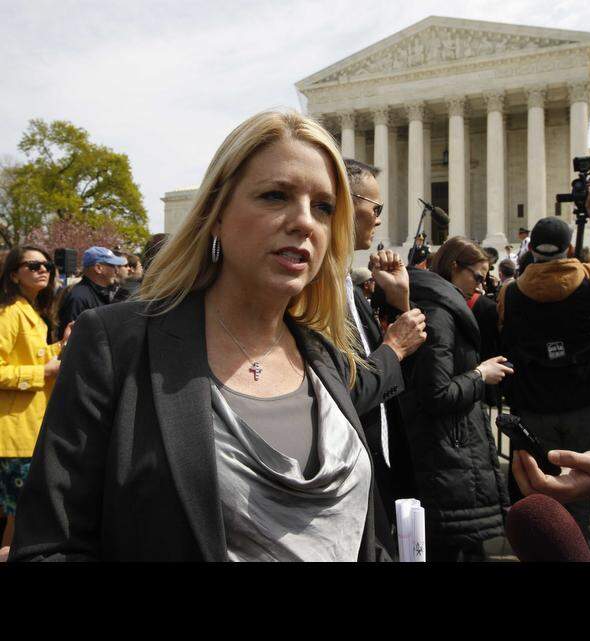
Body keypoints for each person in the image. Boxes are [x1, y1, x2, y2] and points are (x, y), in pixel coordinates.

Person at [8, 109, 428, 562]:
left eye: (323, 207)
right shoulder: (118, 344)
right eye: (275, 195)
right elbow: (50, 546)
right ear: (215, 213)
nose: (305, 221)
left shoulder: (323, 355)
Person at [498, 183, 590, 559]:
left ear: (531, 250)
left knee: (544, 490)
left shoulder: (510, 293)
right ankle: (586, 552)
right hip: (587, 403)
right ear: (570, 249)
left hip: (535, 408)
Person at [399, 236, 513, 561]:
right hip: (447, 455)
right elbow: (436, 393)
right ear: (453, 268)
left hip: (454, 452)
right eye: (476, 277)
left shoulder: (445, 307)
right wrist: (481, 375)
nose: (479, 288)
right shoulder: (439, 313)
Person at [343, 158, 418, 539]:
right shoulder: (314, 297)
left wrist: (398, 300)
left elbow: (400, 379)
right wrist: (393, 348)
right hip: (350, 487)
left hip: (382, 475)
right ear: (344, 200)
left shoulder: (351, 291)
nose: (378, 219)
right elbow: (344, 394)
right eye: (375, 207)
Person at [0, 246, 74, 562]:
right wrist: (43, 372)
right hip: (13, 433)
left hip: (29, 427)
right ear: (14, 274)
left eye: (46, 264)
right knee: (21, 515)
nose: (43, 269)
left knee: (18, 515)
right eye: (32, 265)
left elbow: (33, 355)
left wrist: (61, 346)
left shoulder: (28, 311)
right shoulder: (9, 313)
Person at [54, 246, 127, 340]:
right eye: (113, 266)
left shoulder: (101, 293)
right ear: (98, 268)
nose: (116, 271)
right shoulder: (79, 298)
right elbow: (72, 341)